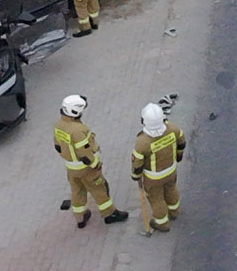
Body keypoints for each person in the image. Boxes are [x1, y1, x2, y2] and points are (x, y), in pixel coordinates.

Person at [54, 95, 130, 228]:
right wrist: (96, 165)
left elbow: (57, 146)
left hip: (71, 169)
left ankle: (80, 218)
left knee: (77, 191)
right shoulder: (77, 130)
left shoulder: (59, 125)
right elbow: (84, 155)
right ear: (75, 111)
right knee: (99, 188)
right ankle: (109, 214)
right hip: (86, 169)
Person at [131, 103, 187, 233]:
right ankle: (174, 212)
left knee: (156, 199)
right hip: (171, 171)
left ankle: (162, 224)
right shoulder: (173, 129)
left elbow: (137, 164)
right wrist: (179, 155)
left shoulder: (142, 141)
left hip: (153, 177)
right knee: (171, 190)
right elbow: (182, 143)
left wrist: (135, 176)